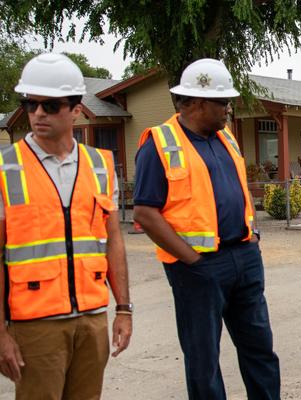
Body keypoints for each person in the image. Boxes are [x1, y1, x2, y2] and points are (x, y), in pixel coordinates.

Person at [133, 58, 280, 399]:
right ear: (197, 103)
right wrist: (193, 261)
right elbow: (145, 211)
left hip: (244, 256)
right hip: (197, 268)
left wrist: (253, 236)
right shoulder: (160, 143)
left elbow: (238, 190)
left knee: (260, 350)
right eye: (223, 102)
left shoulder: (226, 137)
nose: (229, 108)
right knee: (204, 362)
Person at [0, 53, 131, 399]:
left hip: (91, 319)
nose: (37, 113)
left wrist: (123, 308)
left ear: (76, 109)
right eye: (30, 104)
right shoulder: (6, 168)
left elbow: (113, 241)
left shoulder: (100, 165)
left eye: (50, 105)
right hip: (35, 324)